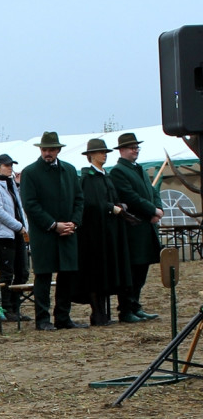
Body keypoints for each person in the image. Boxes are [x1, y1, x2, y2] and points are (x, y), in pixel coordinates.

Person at [20, 132, 86, 331]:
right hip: (44, 234)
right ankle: (42, 319)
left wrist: (73, 223)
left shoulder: (69, 170)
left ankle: (63, 318)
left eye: (51, 149)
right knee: (43, 276)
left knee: (67, 276)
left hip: (68, 233)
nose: (47, 153)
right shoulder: (30, 172)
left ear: (58, 150)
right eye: (44, 149)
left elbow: (79, 199)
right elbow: (30, 204)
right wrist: (53, 224)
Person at [74, 139, 132, 326]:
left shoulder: (106, 176)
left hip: (109, 232)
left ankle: (105, 311)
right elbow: (89, 203)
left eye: (105, 152)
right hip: (93, 234)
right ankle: (97, 312)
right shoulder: (87, 178)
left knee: (108, 271)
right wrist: (109, 207)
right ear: (91, 155)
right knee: (95, 273)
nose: (104, 155)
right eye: (100, 152)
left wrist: (119, 206)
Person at [109, 132, 163, 323]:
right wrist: (152, 211)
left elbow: (153, 192)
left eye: (136, 147)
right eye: (132, 148)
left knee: (142, 271)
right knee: (131, 271)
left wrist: (159, 209)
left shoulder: (138, 169)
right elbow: (131, 197)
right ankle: (126, 309)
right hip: (133, 229)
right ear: (122, 150)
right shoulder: (118, 171)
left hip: (147, 228)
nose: (135, 150)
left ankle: (136, 306)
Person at [0, 153, 31, 322]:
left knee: (22, 271)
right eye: (6, 165)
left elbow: (18, 207)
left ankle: (14, 307)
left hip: (14, 234)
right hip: (3, 234)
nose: (10, 168)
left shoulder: (9, 184)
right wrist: (19, 226)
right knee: (7, 273)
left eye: (11, 165)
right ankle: (5, 308)